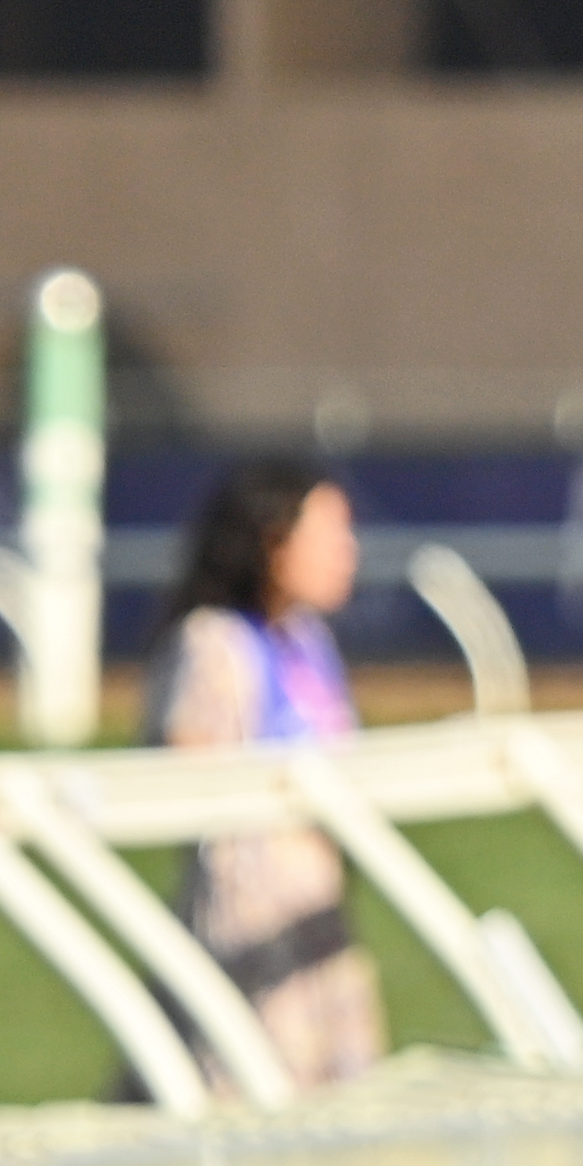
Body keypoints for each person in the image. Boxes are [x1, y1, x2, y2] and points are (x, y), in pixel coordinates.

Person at [144, 455, 383, 1089]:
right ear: (271, 541)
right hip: (241, 927)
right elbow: (182, 782)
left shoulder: (307, 642)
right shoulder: (212, 645)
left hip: (319, 924)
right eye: (329, 534)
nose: (347, 551)